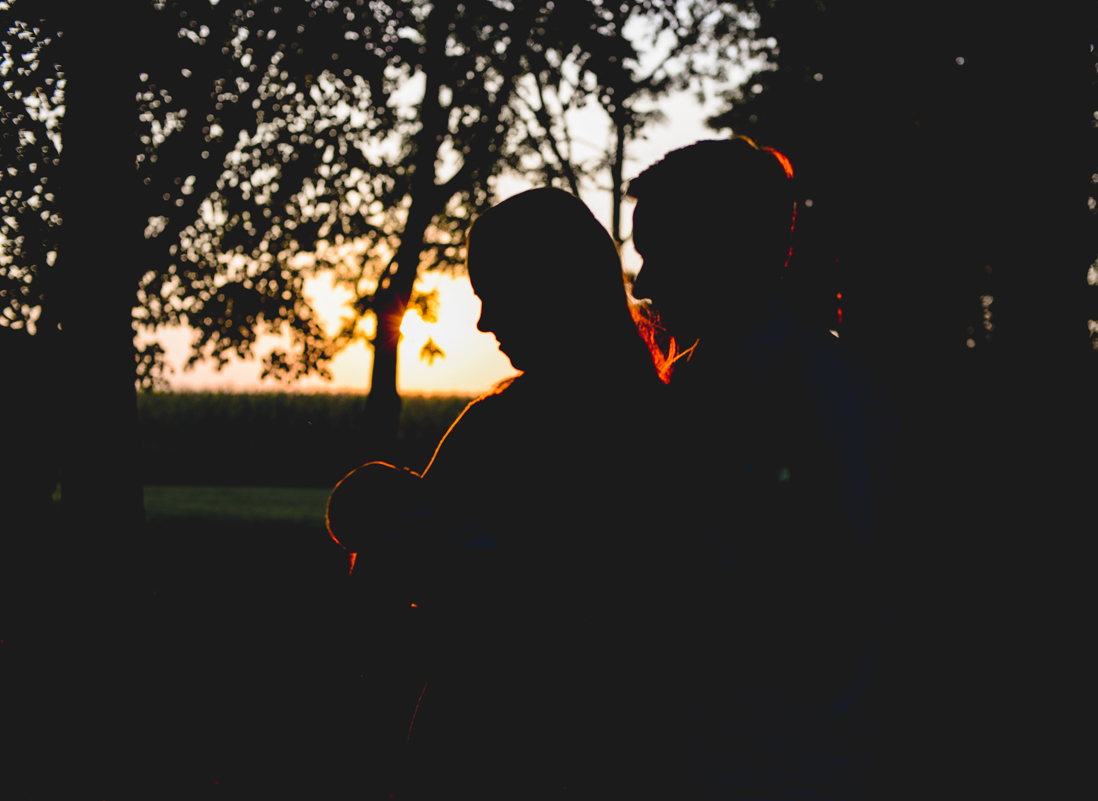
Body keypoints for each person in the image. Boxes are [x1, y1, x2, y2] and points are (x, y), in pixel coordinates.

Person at [327, 187, 672, 798]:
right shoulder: (672, 417)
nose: (484, 322)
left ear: (553, 291)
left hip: (490, 749)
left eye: (495, 296)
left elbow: (380, 604)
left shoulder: (497, 430)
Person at [627, 137, 900, 799]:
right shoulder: (693, 382)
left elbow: (833, 586)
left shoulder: (822, 391)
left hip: (784, 766)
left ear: (729, 252)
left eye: (659, 254)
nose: (644, 284)